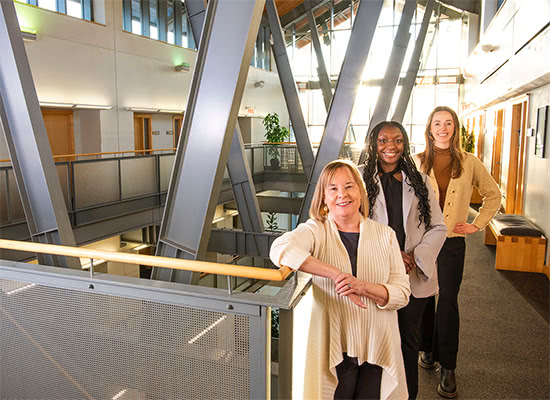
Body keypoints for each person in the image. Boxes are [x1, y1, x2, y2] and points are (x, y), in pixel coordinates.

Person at [270, 160, 410, 399]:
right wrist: (337, 275)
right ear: (323, 197)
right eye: (332, 189)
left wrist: (362, 287)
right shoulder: (316, 229)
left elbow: (402, 294)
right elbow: (280, 248)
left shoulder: (385, 235)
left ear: (360, 191)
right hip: (335, 347)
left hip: (377, 345)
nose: (342, 195)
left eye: (349, 186)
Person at [415, 106, 501, 398]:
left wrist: (478, 225)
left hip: (452, 242)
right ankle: (427, 349)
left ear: (455, 128)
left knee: (448, 301)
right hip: (422, 242)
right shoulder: (416, 162)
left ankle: (448, 367)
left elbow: (494, 194)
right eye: (437, 123)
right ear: (429, 128)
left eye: (448, 123)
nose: (443, 128)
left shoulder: (469, 162)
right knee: (425, 298)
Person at [360, 121, 447, 399]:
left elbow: (438, 227)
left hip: (414, 276)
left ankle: (407, 396)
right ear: (373, 143)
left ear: (405, 144)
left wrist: (414, 256)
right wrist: (391, 254)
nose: (391, 147)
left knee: (408, 341)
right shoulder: (359, 179)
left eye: (397, 141)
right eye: (383, 140)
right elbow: (351, 227)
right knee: (375, 342)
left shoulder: (420, 180)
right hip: (376, 274)